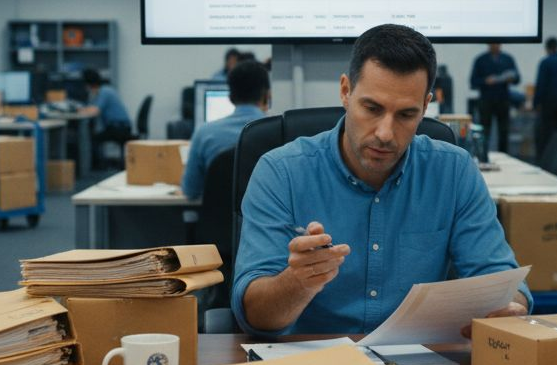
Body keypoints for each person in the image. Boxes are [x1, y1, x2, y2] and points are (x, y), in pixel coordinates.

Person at [231, 24, 531, 335]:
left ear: (425, 107)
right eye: (372, 108)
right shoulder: (281, 172)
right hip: (311, 359)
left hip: (421, 358)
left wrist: (508, 306)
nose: (385, 134)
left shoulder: (454, 172)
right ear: (346, 91)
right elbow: (253, 315)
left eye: (405, 115)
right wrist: (298, 283)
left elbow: (499, 278)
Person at [180, 60, 270, 199]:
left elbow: (191, 191)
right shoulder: (278, 132)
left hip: (217, 213)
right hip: (263, 212)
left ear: (230, 97)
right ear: (267, 95)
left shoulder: (204, 133)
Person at [470, 42, 520, 154]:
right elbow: (473, 82)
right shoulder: (480, 60)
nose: (495, 45)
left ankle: (504, 155)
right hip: (486, 100)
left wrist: (511, 79)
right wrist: (485, 81)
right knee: (484, 131)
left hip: (503, 100)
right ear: (489, 44)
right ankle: (483, 155)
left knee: (504, 131)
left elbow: (517, 79)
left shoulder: (508, 59)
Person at [79, 68, 133, 169]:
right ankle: (98, 166)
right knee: (93, 136)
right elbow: (91, 107)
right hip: (119, 127)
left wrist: (79, 110)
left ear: (88, 84)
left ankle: (97, 168)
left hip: (119, 128)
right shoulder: (103, 91)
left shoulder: (104, 92)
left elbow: (94, 111)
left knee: (91, 139)